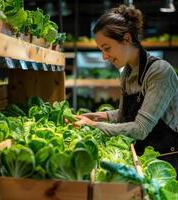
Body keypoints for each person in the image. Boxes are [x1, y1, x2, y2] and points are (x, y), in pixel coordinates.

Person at [73, 4, 178, 172]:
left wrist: (93, 125)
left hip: (165, 164)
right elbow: (124, 115)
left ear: (127, 38)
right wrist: (96, 116)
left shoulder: (160, 72)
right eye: (101, 50)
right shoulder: (127, 73)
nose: (104, 57)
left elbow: (141, 128)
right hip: (141, 158)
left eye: (107, 48)